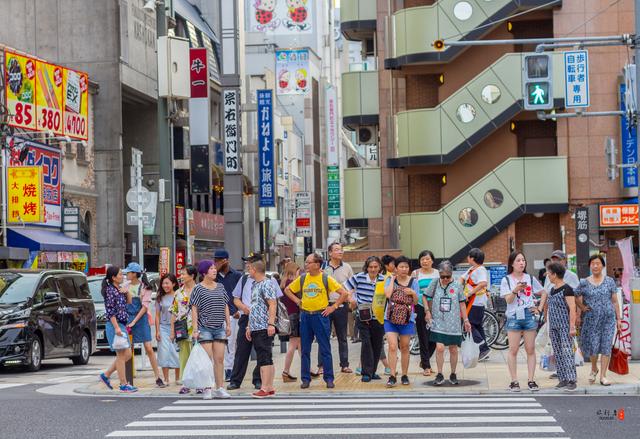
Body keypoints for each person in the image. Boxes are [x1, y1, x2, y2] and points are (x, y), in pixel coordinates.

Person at [284, 252, 349, 389]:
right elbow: (287, 290)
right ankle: (305, 379)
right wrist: (297, 301)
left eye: (308, 262)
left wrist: (334, 307)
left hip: (321, 316)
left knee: (325, 348)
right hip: (306, 316)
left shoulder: (326, 278)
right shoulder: (302, 278)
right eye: (306, 262)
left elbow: (344, 293)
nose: (306, 264)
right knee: (305, 349)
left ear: (317, 264)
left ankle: (329, 378)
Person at [228, 253, 283, 391]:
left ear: (257, 265)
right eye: (247, 263)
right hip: (247, 318)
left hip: (264, 321)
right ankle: (236, 380)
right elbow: (235, 298)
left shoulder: (269, 280)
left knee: (263, 352)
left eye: (250, 263)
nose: (247, 265)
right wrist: (243, 308)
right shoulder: (244, 279)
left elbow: (274, 302)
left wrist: (271, 322)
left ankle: (260, 381)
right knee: (242, 349)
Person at [500, 251, 545, 392]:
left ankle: (531, 380)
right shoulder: (506, 280)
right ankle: (514, 381)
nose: (521, 263)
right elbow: (508, 300)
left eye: (523, 260)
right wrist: (515, 290)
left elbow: (544, 292)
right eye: (518, 260)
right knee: (513, 350)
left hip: (529, 316)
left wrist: (539, 308)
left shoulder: (530, 278)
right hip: (514, 316)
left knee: (530, 349)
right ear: (512, 263)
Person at [575, 254, 622, 386]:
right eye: (593, 264)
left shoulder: (609, 281)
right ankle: (594, 368)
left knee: (606, 346)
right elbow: (576, 296)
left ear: (602, 266)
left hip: (608, 319)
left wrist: (619, 319)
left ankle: (603, 376)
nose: (595, 266)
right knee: (594, 347)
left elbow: (615, 301)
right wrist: (582, 308)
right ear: (590, 266)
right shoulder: (584, 282)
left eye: (598, 263)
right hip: (591, 320)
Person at [425, 260, 472, 386]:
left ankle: (453, 373)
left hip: (454, 323)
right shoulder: (435, 283)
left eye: (448, 276)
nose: (445, 279)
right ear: (439, 274)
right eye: (442, 276)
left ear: (452, 274)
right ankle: (440, 374)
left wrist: (466, 320)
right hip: (438, 321)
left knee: (453, 349)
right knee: (439, 348)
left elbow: (462, 304)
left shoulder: (457, 285)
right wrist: (427, 311)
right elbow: (425, 296)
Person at [191, 260, 232, 399]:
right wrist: (195, 329)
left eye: (215, 268)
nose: (214, 270)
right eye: (211, 269)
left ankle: (220, 388)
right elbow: (194, 309)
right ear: (204, 272)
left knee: (219, 359)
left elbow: (225, 305)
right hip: (204, 328)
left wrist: (228, 324)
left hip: (219, 327)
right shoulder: (198, 288)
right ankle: (207, 388)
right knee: (206, 360)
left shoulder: (220, 286)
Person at [123, 262, 164, 387]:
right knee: (127, 349)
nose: (126, 274)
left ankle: (158, 376)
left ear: (134, 274)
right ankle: (127, 378)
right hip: (127, 318)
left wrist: (134, 321)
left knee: (149, 348)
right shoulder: (125, 285)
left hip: (141, 319)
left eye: (128, 272)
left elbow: (145, 307)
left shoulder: (145, 287)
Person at [344, 256, 385, 382]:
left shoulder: (384, 279)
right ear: (366, 267)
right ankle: (366, 373)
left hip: (379, 317)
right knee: (366, 343)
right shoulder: (359, 277)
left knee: (377, 344)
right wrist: (351, 299)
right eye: (370, 267)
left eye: (375, 267)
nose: (373, 269)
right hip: (363, 316)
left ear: (380, 267)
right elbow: (345, 288)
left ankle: (373, 372)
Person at [99, 266, 137, 393]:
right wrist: (116, 328)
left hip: (122, 324)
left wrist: (126, 291)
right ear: (113, 277)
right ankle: (123, 384)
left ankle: (107, 375)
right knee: (121, 355)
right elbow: (111, 312)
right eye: (120, 274)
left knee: (126, 354)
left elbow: (129, 302)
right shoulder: (110, 291)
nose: (123, 276)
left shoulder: (118, 289)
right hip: (115, 325)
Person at [543, 250, 580, 380]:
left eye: (549, 274)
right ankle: (562, 378)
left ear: (555, 275)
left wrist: (572, 326)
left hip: (565, 325)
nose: (548, 275)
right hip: (553, 325)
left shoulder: (567, 289)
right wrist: (544, 315)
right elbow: (546, 299)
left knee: (567, 351)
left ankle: (571, 379)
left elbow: (572, 306)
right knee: (557, 352)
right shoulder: (552, 289)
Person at [318, 242, 354, 375]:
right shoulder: (322, 267)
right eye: (337, 250)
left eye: (341, 250)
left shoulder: (347, 267)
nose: (340, 252)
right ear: (330, 253)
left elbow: (352, 285)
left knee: (342, 336)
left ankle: (344, 364)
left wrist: (350, 297)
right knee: (323, 336)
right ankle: (321, 365)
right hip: (324, 306)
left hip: (341, 305)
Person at [383, 255, 419, 387]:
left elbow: (416, 302)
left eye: (406, 267)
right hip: (390, 318)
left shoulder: (413, 282)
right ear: (396, 268)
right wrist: (392, 279)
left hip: (407, 319)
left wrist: (413, 293)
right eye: (401, 267)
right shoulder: (390, 279)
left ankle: (404, 374)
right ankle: (392, 375)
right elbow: (387, 294)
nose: (404, 269)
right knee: (392, 346)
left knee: (404, 347)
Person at [246, 259, 278, 398]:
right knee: (266, 355)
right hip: (255, 325)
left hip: (263, 325)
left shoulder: (266, 284)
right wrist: (249, 326)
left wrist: (271, 324)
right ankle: (269, 386)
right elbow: (253, 307)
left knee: (264, 356)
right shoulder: (255, 285)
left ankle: (265, 387)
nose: (248, 271)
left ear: (254, 269)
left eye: (249, 268)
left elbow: (272, 304)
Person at [213, 248, 243, 382]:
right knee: (220, 343)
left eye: (219, 261)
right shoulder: (214, 276)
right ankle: (224, 369)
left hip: (233, 314)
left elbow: (241, 295)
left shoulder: (236, 275)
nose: (216, 263)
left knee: (231, 343)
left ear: (226, 261)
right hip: (216, 314)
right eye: (215, 261)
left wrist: (239, 310)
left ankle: (230, 369)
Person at [411, 250, 439, 376]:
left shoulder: (437, 273)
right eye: (422, 259)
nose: (425, 261)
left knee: (434, 336)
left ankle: (424, 361)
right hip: (420, 306)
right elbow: (412, 290)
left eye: (427, 259)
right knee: (423, 336)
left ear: (432, 260)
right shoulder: (415, 274)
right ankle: (426, 366)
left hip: (435, 307)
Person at [171, 265, 197, 394]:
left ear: (192, 276)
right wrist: (172, 332)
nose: (181, 276)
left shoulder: (200, 290)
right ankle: (186, 383)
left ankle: (200, 384)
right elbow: (174, 313)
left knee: (198, 357)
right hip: (183, 329)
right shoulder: (178, 293)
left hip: (198, 329)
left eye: (183, 274)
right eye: (180, 274)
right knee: (184, 357)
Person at [460, 248, 490, 361]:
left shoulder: (481, 269)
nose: (467, 258)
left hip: (476, 301)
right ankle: (484, 350)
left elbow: (483, 283)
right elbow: (462, 279)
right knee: (477, 325)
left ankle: (483, 348)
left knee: (470, 324)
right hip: (473, 301)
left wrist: (470, 293)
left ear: (472, 258)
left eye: (468, 256)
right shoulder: (472, 269)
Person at [155, 273, 180, 385]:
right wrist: (157, 331)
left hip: (177, 327)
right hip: (163, 327)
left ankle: (178, 378)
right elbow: (157, 315)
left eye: (167, 283)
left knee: (176, 352)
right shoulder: (160, 297)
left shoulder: (178, 296)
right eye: (163, 283)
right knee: (164, 352)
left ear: (174, 284)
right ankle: (166, 379)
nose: (165, 285)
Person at [280, 261, 302, 382]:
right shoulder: (293, 284)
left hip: (287, 317)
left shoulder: (283, 283)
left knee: (300, 345)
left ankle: (307, 368)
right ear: (294, 270)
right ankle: (285, 371)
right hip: (295, 316)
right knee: (293, 345)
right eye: (298, 270)